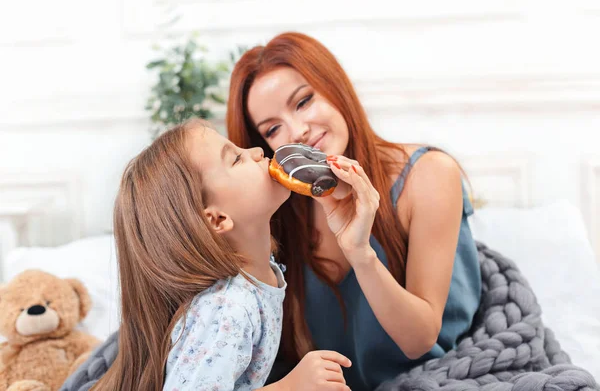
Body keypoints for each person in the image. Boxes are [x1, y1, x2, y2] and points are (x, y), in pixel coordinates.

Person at [227, 32, 483, 390]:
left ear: (334, 87)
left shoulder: (428, 175)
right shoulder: (281, 213)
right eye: (273, 129)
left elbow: (419, 340)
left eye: (303, 102)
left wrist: (360, 253)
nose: (298, 131)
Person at [92, 119, 355, 391]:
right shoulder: (227, 309)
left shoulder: (260, 272)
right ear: (217, 220)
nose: (256, 152)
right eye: (236, 159)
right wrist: (289, 387)